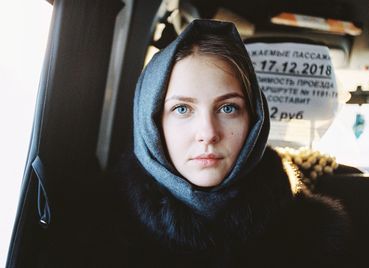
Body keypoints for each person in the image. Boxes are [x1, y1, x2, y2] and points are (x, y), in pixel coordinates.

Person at [109, 19, 352, 267]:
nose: (208, 133)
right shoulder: (95, 224)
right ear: (150, 121)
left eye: (228, 108)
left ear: (254, 119)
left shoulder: (310, 236)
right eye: (182, 109)